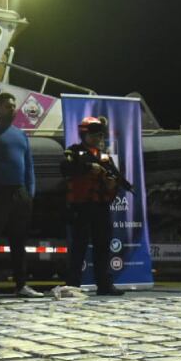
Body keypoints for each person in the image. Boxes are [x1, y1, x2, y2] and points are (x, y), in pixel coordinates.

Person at [0, 91, 41, 299]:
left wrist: (29, 192)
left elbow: (29, 165)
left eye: (13, 106)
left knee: (19, 241)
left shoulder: (21, 135)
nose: (12, 109)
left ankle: (21, 284)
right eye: (7, 106)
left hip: (19, 192)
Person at [60, 116, 131, 296]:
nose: (99, 137)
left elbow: (116, 179)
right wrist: (89, 168)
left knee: (103, 246)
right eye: (94, 134)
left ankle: (104, 285)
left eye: (100, 134)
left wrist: (113, 184)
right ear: (85, 135)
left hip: (101, 207)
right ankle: (73, 285)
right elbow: (66, 169)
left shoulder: (105, 157)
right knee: (79, 246)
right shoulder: (73, 151)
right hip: (81, 206)